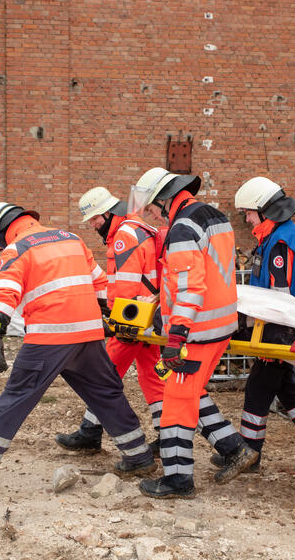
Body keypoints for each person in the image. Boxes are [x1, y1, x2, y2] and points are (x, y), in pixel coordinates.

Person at [0, 202, 157, 486]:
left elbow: (5, 290)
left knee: (19, 394)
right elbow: (101, 285)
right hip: (88, 333)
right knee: (106, 393)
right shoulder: (71, 238)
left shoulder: (18, 248)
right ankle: (138, 456)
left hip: (50, 336)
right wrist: (112, 316)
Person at [128, 167, 258, 499]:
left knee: (175, 405)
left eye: (154, 208)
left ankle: (177, 480)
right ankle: (232, 448)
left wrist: (175, 337)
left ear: (164, 200)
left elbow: (190, 289)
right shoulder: (213, 216)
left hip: (195, 333)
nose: (153, 215)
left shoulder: (183, 227)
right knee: (188, 392)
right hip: (219, 325)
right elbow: (212, 274)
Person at [211, 177, 295, 473]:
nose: (246, 218)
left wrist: (266, 337)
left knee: (258, 388)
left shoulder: (281, 242)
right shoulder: (278, 237)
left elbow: (279, 301)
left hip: (285, 328)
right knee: (287, 388)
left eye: (248, 212)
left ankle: (249, 453)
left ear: (265, 210)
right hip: (290, 325)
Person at [55, 187, 166, 453]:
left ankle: (91, 433)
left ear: (107, 212)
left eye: (94, 219)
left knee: (101, 376)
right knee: (152, 377)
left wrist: (115, 322)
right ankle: (166, 436)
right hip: (147, 317)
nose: (93, 225)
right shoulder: (136, 227)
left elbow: (126, 285)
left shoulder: (123, 236)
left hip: (132, 321)